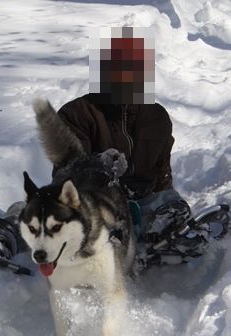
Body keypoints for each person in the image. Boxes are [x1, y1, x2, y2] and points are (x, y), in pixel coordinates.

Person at [54, 26, 192, 239]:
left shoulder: (156, 117)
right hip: (91, 204)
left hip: (142, 203)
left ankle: (166, 240)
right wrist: (98, 165)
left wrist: (167, 202)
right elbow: (64, 172)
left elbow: (162, 174)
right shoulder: (77, 114)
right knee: (38, 211)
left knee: (172, 204)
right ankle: (0, 238)